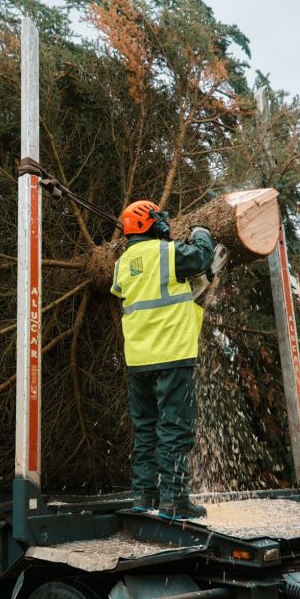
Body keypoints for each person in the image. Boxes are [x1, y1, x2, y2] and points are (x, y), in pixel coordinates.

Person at [110, 200, 215, 520]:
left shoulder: (122, 264)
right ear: (149, 223)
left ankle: (145, 495)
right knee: (174, 428)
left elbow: (126, 290)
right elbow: (200, 258)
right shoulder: (166, 254)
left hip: (139, 359)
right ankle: (174, 500)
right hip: (173, 353)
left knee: (145, 430)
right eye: (158, 220)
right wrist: (201, 233)